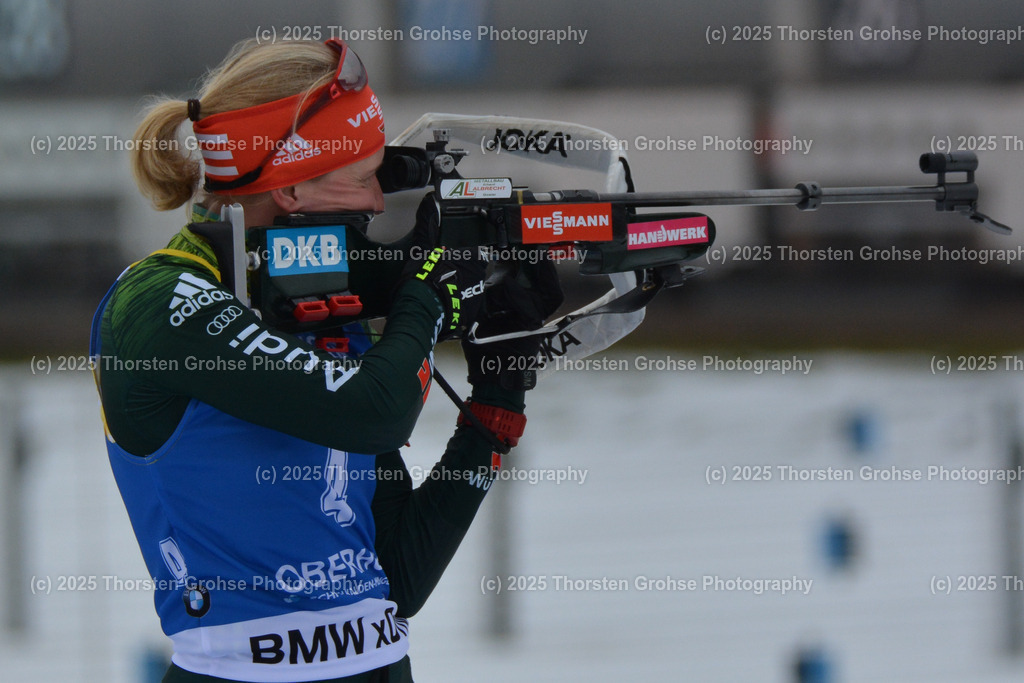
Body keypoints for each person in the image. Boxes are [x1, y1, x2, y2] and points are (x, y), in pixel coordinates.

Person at [90, 37, 560, 683]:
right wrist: (427, 292)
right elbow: (377, 413)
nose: (375, 203)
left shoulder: (319, 305)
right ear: (290, 187)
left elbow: (396, 577)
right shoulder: (161, 302)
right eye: (363, 178)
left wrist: (499, 392)